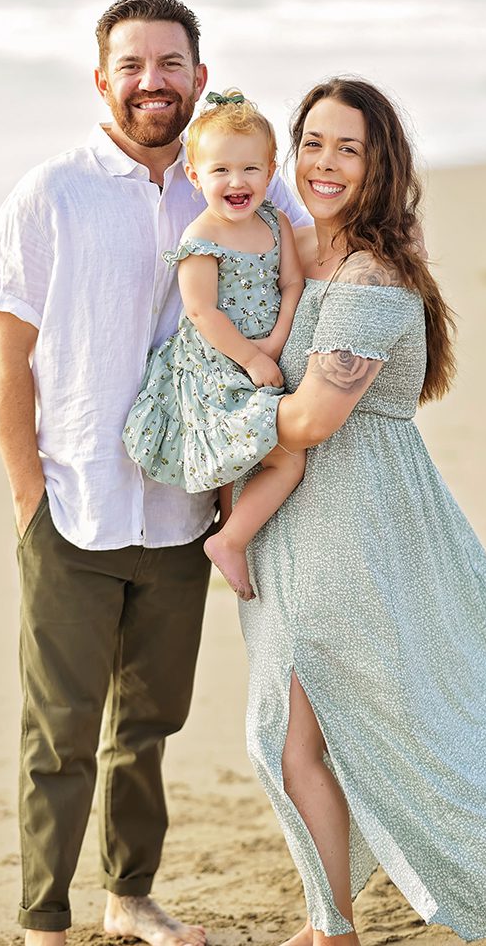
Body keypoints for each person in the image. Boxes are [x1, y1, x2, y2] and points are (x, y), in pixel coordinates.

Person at [0, 0, 309, 946]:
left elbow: (323, 241)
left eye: (169, 64)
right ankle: (44, 920)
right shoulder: (51, 193)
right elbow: (4, 354)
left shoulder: (239, 186)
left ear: (199, 79)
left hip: (184, 507)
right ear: (101, 81)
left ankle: (129, 897)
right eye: (131, 65)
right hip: (72, 502)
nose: (151, 82)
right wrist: (27, 494)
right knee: (60, 732)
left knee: (149, 723)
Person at [237, 77, 486, 945]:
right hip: (299, 511)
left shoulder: (372, 270)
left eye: (348, 148)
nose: (325, 163)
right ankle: (331, 921)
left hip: (351, 515)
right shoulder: (303, 249)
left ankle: (333, 930)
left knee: (310, 732)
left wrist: (224, 419)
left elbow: (317, 417)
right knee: (325, 730)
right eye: (312, 143)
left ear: (379, 163)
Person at [123, 90, 306, 600]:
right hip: (217, 363)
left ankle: (237, 532)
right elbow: (203, 313)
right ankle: (229, 539)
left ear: (270, 172)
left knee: (258, 456)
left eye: (250, 169)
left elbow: (291, 284)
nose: (237, 182)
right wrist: (250, 355)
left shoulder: (275, 222)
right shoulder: (201, 239)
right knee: (284, 456)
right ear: (195, 176)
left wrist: (276, 339)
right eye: (220, 170)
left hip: (267, 351)